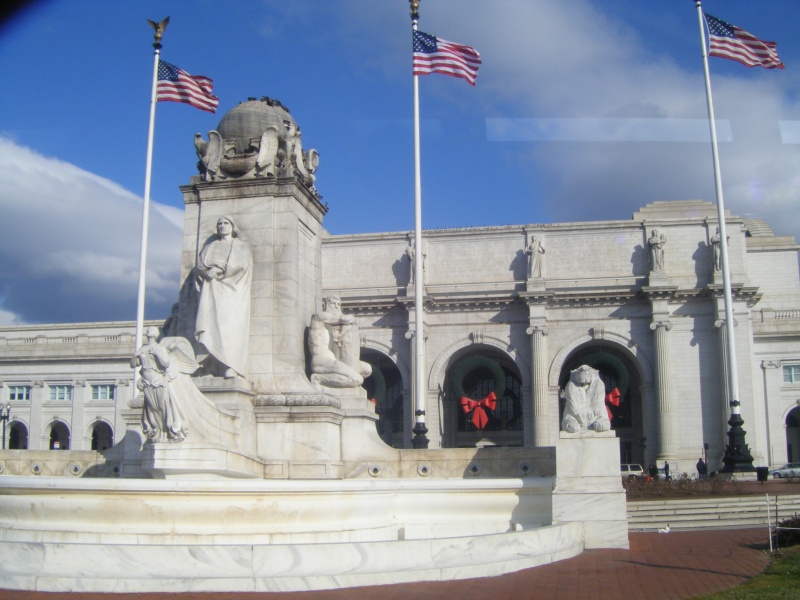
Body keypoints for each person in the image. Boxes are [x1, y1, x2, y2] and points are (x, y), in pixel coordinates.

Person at [195, 216, 252, 378]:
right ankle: (212, 365)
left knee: (230, 328)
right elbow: (200, 266)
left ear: (233, 227)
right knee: (211, 327)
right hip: (210, 291)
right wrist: (208, 271)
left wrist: (220, 269)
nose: (222, 226)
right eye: (219, 223)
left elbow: (241, 265)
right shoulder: (210, 246)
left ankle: (231, 365)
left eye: (226, 223)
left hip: (232, 293)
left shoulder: (241, 246)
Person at [308, 295, 372, 388]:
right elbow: (343, 319)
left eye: (338, 304)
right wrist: (352, 318)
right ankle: (318, 379)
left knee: (367, 369)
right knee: (357, 379)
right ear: (325, 305)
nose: (336, 307)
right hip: (321, 360)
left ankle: (345, 378)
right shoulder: (319, 317)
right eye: (333, 304)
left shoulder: (328, 325)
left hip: (332, 359)